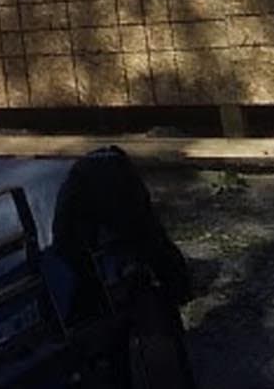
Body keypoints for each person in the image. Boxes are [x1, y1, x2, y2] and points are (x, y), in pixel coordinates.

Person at [50, 146, 197, 388]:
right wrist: (178, 284)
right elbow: (154, 241)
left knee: (112, 327)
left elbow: (65, 244)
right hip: (128, 277)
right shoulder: (124, 194)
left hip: (106, 285)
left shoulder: (79, 188)